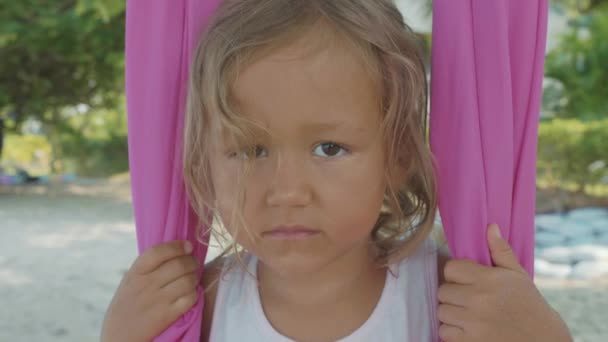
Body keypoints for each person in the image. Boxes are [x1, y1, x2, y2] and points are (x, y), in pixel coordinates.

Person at [101, 1, 572, 341]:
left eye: (329, 148)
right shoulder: (196, 306)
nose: (286, 192)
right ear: (204, 166)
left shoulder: (453, 297)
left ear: (398, 157)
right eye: (249, 150)